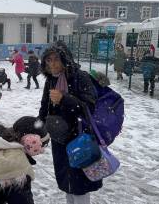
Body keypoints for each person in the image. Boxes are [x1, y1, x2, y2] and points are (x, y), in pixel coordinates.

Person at [38, 46, 102, 204]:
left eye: (56, 59)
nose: (52, 64)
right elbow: (45, 106)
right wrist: (38, 129)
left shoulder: (80, 77)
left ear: (65, 59)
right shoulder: (52, 79)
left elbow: (89, 107)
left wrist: (64, 98)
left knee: (79, 184)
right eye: (49, 60)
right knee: (67, 182)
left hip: (79, 139)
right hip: (59, 139)